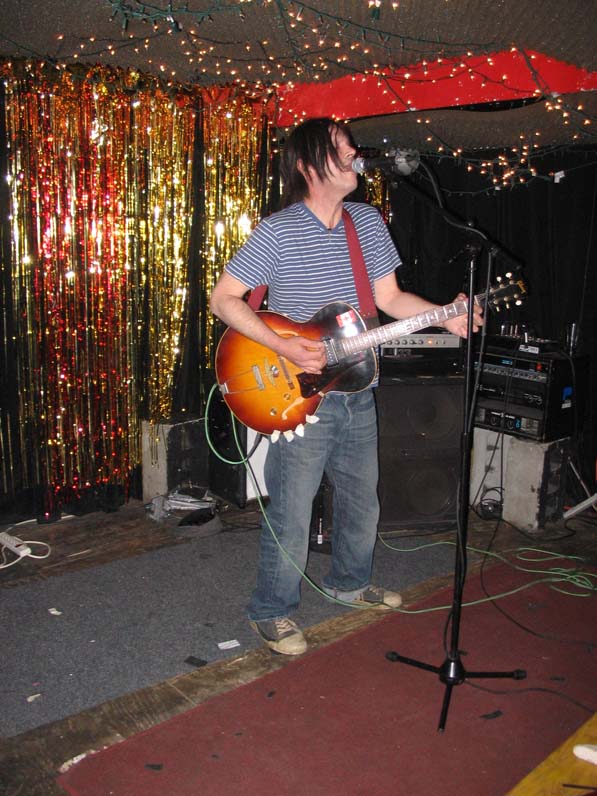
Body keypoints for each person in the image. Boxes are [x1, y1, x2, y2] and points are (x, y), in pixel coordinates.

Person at [210, 117, 482, 656]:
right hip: (299, 393)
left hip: (358, 387)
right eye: (341, 147)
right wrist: (286, 346)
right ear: (310, 166)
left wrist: (447, 316)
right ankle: (272, 610)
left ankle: (349, 583)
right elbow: (225, 299)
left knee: (362, 501)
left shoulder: (366, 222)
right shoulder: (279, 230)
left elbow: (391, 300)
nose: (356, 151)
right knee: (291, 511)